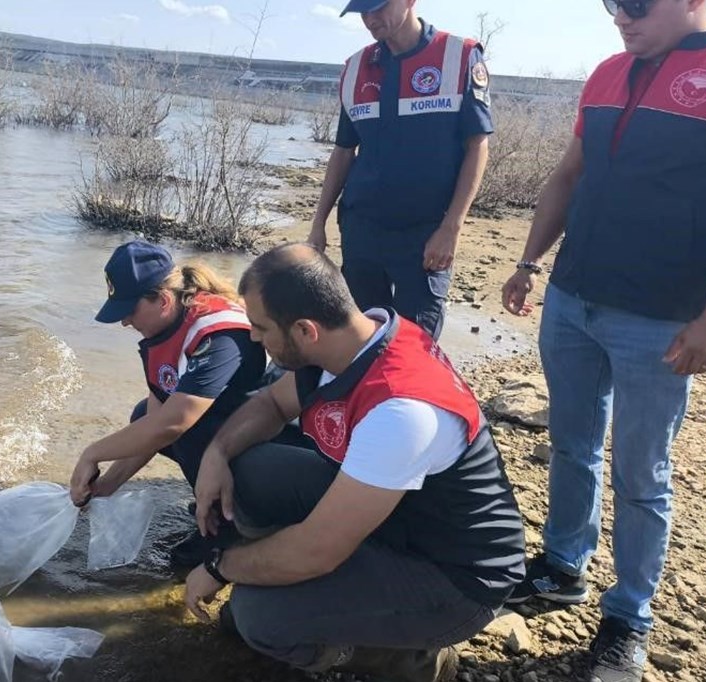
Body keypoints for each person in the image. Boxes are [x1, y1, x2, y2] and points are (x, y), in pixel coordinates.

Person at [500, 2, 706, 681]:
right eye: (610, 3)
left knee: (641, 472)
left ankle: (629, 618)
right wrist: (531, 262)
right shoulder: (608, 71)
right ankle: (563, 566)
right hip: (572, 298)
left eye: (637, 3)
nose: (621, 15)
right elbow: (568, 175)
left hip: (661, 317)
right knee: (570, 443)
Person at [183, 244, 525, 682]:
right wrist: (216, 454)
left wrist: (219, 567)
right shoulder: (357, 339)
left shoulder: (400, 411)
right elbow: (270, 402)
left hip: (454, 578)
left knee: (257, 616)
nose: (253, 337)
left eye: (260, 327)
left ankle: (409, 659)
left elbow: (317, 552)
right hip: (396, 515)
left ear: (306, 330)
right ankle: (321, 600)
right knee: (249, 472)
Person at [69, 241, 272, 567]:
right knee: (143, 418)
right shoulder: (170, 325)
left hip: (272, 437)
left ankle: (230, 534)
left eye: (129, 311)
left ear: (162, 300)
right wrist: (107, 485)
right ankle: (213, 509)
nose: (124, 323)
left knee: (186, 429)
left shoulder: (218, 335)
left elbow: (174, 422)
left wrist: (92, 452)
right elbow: (153, 419)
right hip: (227, 428)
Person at [308, 0, 492, 340]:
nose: (370, 19)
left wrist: (451, 228)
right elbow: (344, 151)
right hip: (362, 229)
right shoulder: (355, 68)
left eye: (378, 8)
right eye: (362, 11)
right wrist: (318, 223)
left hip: (424, 233)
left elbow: (477, 146)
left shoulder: (459, 56)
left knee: (414, 342)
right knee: (359, 338)